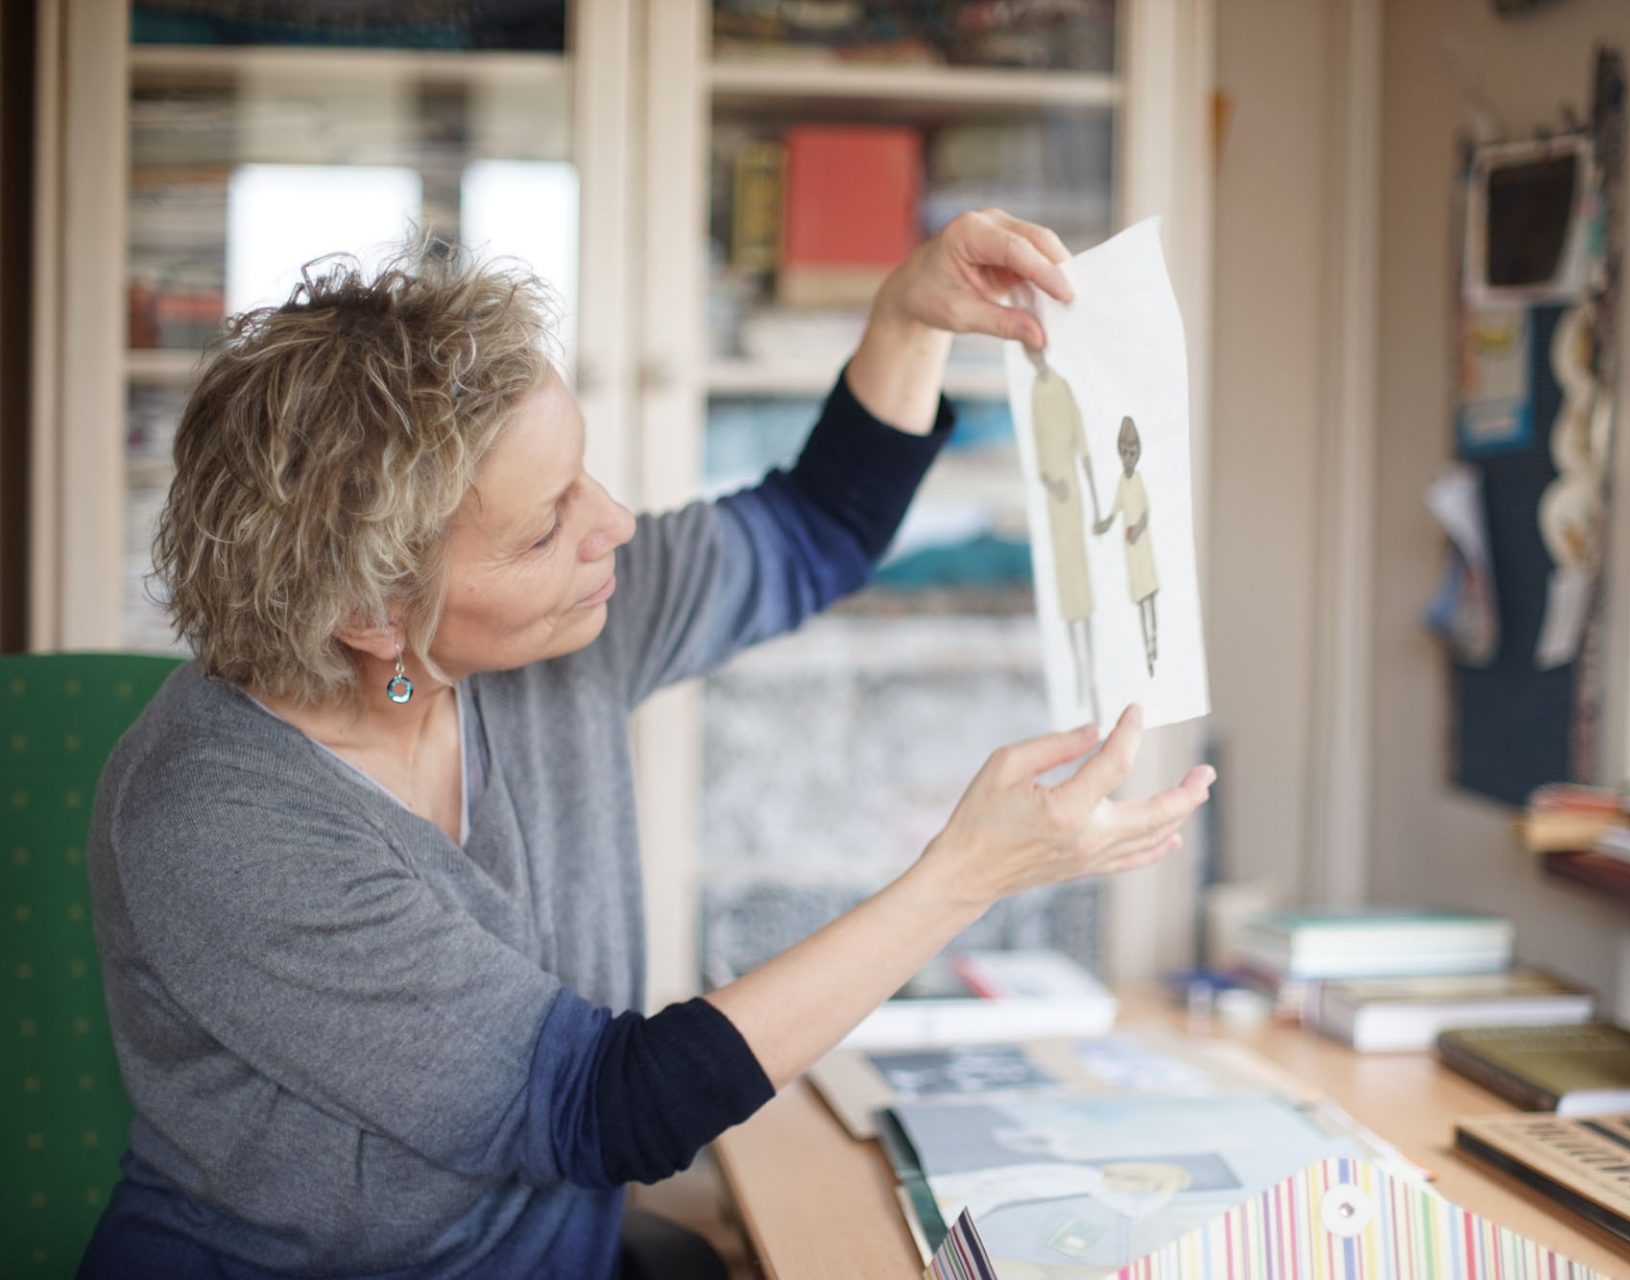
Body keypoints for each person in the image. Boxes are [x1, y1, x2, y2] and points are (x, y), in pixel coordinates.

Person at [76, 209, 1213, 1280]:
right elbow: (603, 1106)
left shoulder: (564, 623)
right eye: (546, 521)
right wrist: (965, 876)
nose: (613, 522)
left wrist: (908, 317)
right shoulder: (217, 821)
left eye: (584, 472)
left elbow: (815, 530)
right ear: (375, 612)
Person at [1027, 346, 1103, 722]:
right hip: (1053, 496)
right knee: (1066, 591)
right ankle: (1080, 680)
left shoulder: (1062, 388)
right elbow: (1040, 449)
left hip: (1071, 494)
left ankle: (1090, 678)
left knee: (1082, 591)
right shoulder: (1036, 391)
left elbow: (1084, 446)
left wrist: (1094, 500)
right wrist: (1046, 480)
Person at [1093, 416, 1160, 676]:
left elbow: (1145, 511)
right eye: (1124, 452)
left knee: (1149, 597)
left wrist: (1138, 531)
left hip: (1141, 545)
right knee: (1137, 598)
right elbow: (1116, 508)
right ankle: (1146, 649)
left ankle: (1154, 644)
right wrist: (1105, 524)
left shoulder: (1140, 479)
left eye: (1132, 452)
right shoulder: (1122, 481)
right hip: (1130, 548)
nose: (1128, 457)